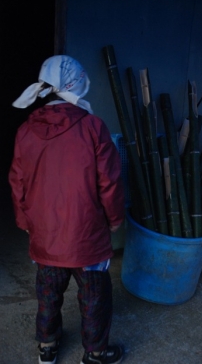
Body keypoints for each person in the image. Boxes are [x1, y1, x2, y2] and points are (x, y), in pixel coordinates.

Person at [8, 55, 125, 364]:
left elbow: (17, 181)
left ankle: (47, 346)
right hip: (86, 236)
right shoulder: (93, 127)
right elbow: (109, 182)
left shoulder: (25, 131)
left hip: (44, 235)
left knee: (48, 294)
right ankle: (96, 353)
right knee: (95, 297)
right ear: (77, 84)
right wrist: (115, 219)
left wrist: (24, 220)